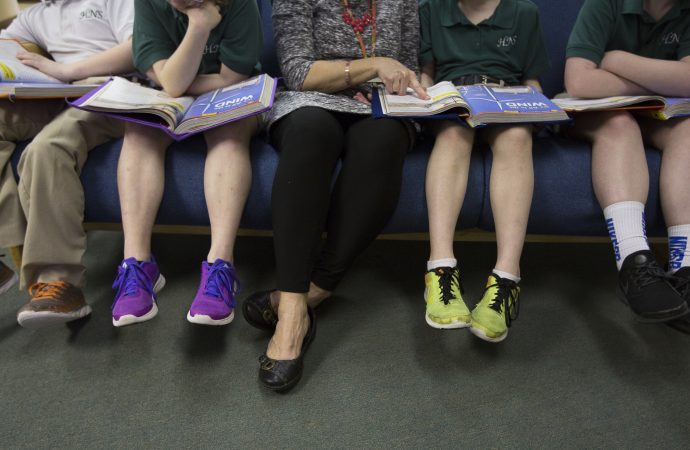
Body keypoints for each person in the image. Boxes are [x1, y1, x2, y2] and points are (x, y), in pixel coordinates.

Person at [241, 0, 424, 391]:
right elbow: (298, 72)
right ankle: (292, 312)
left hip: (379, 105)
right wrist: (373, 66)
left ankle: (314, 291)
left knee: (384, 140)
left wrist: (392, 83)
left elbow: (405, 67)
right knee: (310, 133)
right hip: (310, 100)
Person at [110, 0, 262, 327]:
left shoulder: (239, 4)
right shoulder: (148, 3)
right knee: (139, 132)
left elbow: (232, 77)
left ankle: (221, 264)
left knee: (229, 132)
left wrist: (174, 77)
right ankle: (137, 264)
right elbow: (171, 85)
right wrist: (199, 26)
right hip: (170, 98)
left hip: (232, 95)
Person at [418, 0, 550, 343]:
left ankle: (506, 279)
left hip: (505, 99)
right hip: (452, 99)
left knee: (517, 138)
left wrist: (536, 105)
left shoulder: (524, 12)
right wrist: (426, 96)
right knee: (452, 135)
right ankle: (440, 268)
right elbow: (427, 73)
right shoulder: (432, 8)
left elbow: (532, 79)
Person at [0, 0, 134, 327]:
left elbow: (137, 49)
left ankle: (60, 283)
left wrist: (68, 71)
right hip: (60, 95)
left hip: (115, 93)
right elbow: (9, 46)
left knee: (47, 149)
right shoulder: (36, 15)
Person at [564, 0, 690, 332]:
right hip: (599, 111)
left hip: (659, 115)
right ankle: (634, 261)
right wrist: (664, 80)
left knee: (689, 131)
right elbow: (580, 82)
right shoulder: (605, 4)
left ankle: (685, 268)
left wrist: (617, 61)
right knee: (620, 124)